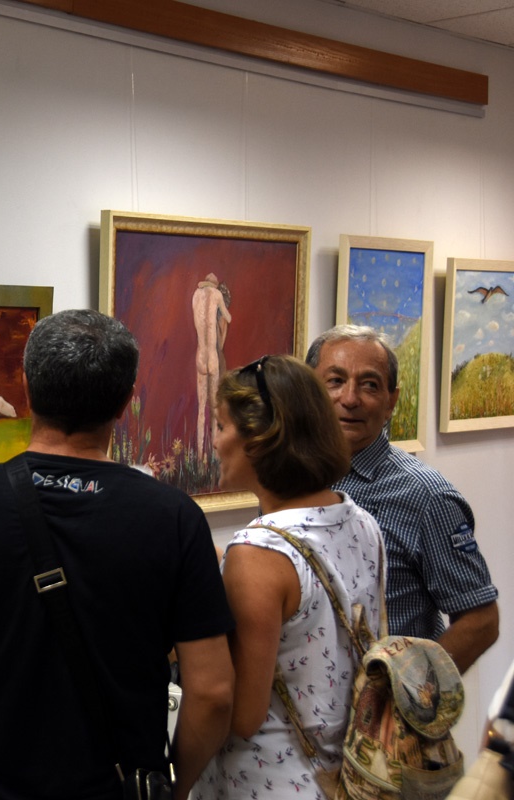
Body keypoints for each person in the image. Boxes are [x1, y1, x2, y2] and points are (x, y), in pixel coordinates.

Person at [0, 309, 235, 800]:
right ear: (126, 400)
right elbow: (213, 693)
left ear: (27, 389)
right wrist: (171, 790)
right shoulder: (174, 518)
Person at [194, 355, 386, 800]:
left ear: (259, 438)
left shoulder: (258, 553)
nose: (215, 441)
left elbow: (243, 715)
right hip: (345, 774)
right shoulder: (358, 519)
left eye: (221, 426)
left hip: (269, 782)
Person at [306, 325, 498, 672]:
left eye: (369, 385)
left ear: (391, 402)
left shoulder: (426, 496)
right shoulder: (290, 480)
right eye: (335, 381)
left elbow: (481, 621)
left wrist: (407, 692)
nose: (350, 398)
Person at [193, 273, 232, 459]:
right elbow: (228, 318)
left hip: (200, 356)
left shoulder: (195, 296)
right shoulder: (217, 295)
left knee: (201, 410)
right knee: (215, 409)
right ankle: (215, 456)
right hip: (213, 357)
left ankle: (200, 456)